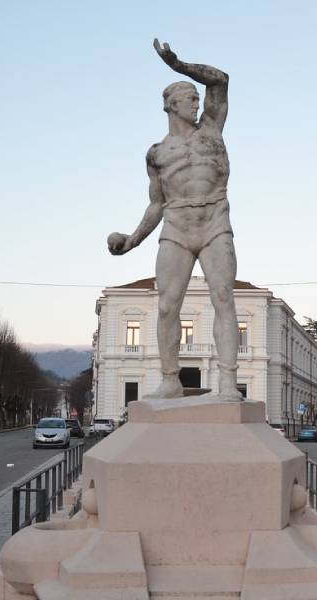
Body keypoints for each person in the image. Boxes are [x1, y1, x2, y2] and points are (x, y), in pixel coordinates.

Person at [108, 39, 240, 401]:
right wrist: (131, 240)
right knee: (167, 306)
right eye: (190, 98)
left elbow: (220, 81)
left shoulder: (212, 130)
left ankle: (227, 381)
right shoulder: (157, 153)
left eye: (198, 99)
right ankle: (170, 378)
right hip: (177, 228)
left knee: (223, 297)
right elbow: (156, 204)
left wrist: (179, 65)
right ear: (171, 105)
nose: (197, 103)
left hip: (214, 223)